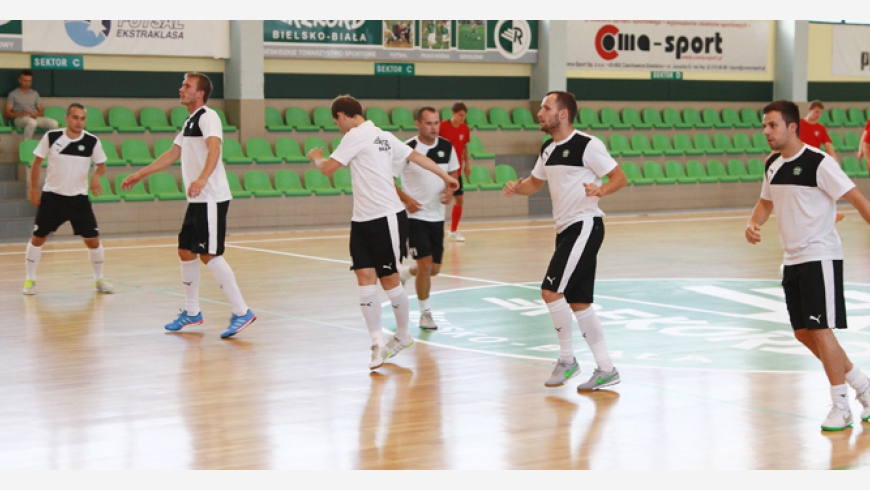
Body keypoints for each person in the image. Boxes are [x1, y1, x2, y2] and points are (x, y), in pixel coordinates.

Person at [307, 95, 458, 370]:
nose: (338, 126)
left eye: (336, 121)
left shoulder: (357, 135)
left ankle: (403, 335)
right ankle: (377, 344)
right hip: (361, 219)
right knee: (364, 279)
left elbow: (329, 169)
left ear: (341, 115)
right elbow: (416, 157)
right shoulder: (382, 135)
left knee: (388, 280)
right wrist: (443, 175)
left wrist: (317, 157)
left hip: (386, 217)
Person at [745, 99, 870, 431]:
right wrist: (753, 222)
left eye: (772, 125)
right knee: (803, 334)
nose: (766, 132)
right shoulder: (772, 164)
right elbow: (764, 203)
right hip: (792, 260)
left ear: (791, 127)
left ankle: (840, 405)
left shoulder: (820, 162)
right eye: (764, 126)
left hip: (820, 256)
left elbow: (858, 201)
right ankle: (863, 385)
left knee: (819, 328)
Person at [503, 91, 627, 391]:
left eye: (546, 108)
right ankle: (607, 368)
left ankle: (567, 360)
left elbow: (619, 177)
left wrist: (602, 191)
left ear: (562, 114)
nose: (540, 113)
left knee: (550, 291)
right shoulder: (547, 148)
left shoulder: (587, 145)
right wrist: (516, 188)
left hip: (585, 225)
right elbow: (535, 182)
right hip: (565, 230)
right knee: (579, 302)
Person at [121, 72, 256, 339]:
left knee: (209, 254)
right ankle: (192, 312)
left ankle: (242, 312)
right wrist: (140, 174)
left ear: (200, 93)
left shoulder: (208, 117)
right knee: (185, 250)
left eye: (187, 86)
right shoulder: (189, 121)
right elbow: (172, 154)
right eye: (183, 85)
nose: (181, 89)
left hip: (211, 197)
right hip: (197, 199)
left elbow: (215, 148)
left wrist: (203, 178)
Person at [23, 103, 112, 295]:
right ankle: (30, 279)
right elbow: (37, 163)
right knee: (38, 238)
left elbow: (101, 165)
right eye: (75, 117)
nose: (78, 122)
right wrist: (32, 190)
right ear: (67, 118)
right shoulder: (52, 137)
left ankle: (99, 279)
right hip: (53, 198)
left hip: (79, 200)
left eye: (82, 118)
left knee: (93, 241)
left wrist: (96, 176)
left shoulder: (92, 141)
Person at [396, 106, 460, 330]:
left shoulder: (446, 147)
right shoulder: (407, 149)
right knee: (424, 266)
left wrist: (450, 190)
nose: (434, 127)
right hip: (415, 218)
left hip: (437, 217)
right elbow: (387, 179)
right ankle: (425, 314)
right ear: (418, 124)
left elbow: (454, 173)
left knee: (433, 269)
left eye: (436, 123)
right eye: (429, 123)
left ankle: (405, 273)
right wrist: (406, 200)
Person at [439, 102, 471, 241]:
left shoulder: (465, 128)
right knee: (438, 199)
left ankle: (453, 230)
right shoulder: (442, 126)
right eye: (460, 115)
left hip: (456, 170)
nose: (463, 117)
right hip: (441, 169)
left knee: (459, 199)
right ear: (453, 113)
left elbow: (464, 147)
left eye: (464, 115)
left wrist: (467, 164)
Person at [4, 69, 58, 140]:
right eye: (25, 81)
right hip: (19, 118)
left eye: (29, 81)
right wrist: (20, 114)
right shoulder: (13, 94)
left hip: (34, 117)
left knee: (54, 124)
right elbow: (7, 113)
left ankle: (48, 145)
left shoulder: (35, 94)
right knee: (32, 123)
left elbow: (41, 112)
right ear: (19, 80)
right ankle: (27, 145)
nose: (27, 83)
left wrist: (36, 114)